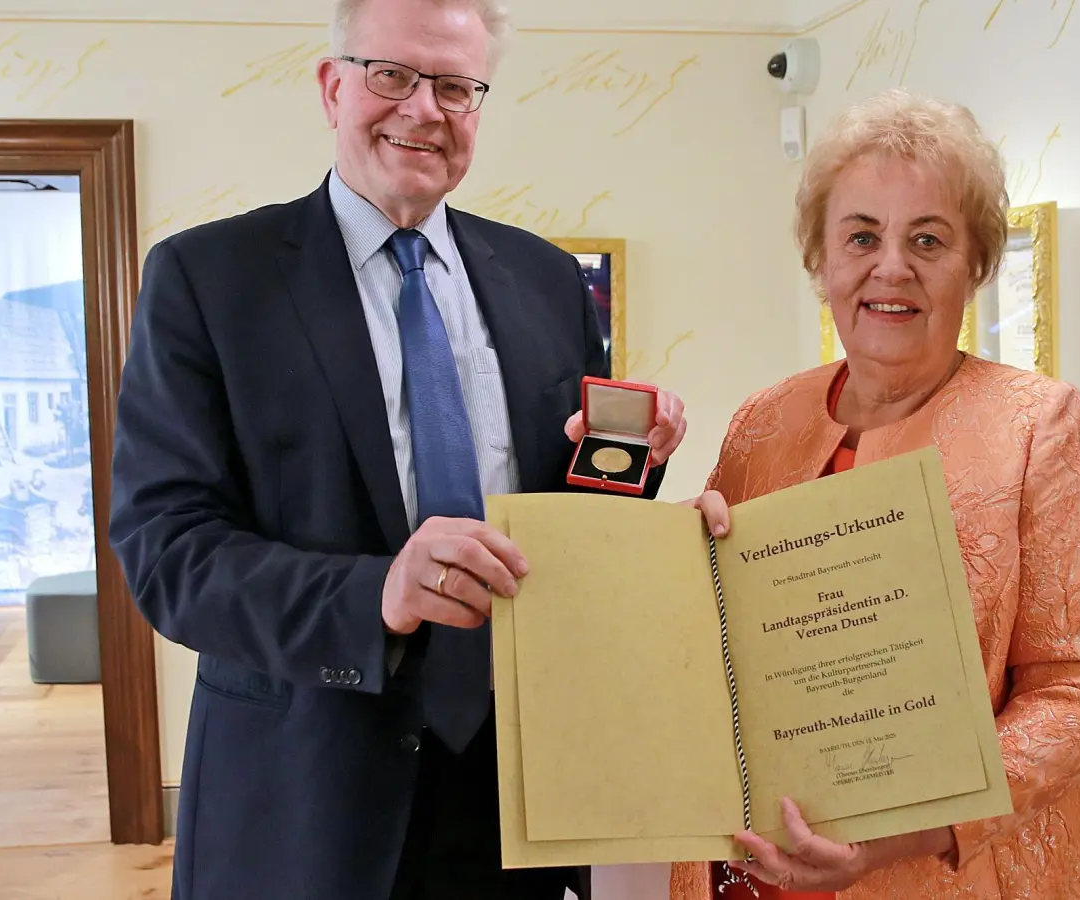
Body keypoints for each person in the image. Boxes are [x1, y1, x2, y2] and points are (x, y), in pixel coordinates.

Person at [106, 0, 688, 897]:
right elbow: (168, 550)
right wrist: (377, 592)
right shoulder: (208, 279)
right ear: (333, 85)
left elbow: (563, 526)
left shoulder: (545, 280)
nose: (425, 110)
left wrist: (631, 462)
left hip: (513, 790)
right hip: (305, 795)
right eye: (393, 76)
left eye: (456, 86)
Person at [669, 88, 1080, 899]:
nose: (893, 267)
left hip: (972, 870)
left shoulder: (1041, 426)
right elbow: (713, 646)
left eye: (929, 238)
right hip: (759, 865)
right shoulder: (763, 421)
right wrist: (676, 567)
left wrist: (918, 824)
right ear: (821, 262)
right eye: (862, 236)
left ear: (977, 264)